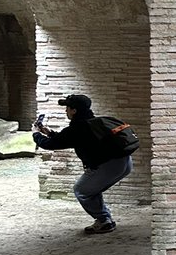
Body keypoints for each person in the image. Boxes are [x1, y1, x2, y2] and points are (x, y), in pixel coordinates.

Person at [32, 94, 133, 234]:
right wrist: (49, 132)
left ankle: (104, 221)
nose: (65, 111)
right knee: (91, 189)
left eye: (67, 108)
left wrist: (36, 134)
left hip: (110, 165)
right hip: (125, 162)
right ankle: (104, 220)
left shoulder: (77, 128)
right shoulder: (91, 122)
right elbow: (65, 139)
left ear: (74, 110)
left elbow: (50, 145)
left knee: (82, 190)